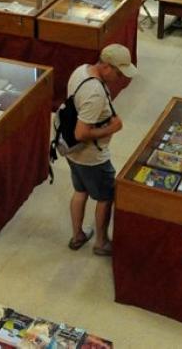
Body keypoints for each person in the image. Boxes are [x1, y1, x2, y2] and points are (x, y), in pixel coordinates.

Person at [66, 44, 136, 257]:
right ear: (106, 66)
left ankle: (78, 235)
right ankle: (102, 242)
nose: (120, 77)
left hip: (72, 152)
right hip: (91, 156)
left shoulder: (81, 70)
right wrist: (112, 128)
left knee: (80, 191)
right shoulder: (95, 92)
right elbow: (81, 133)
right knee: (105, 197)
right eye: (118, 72)